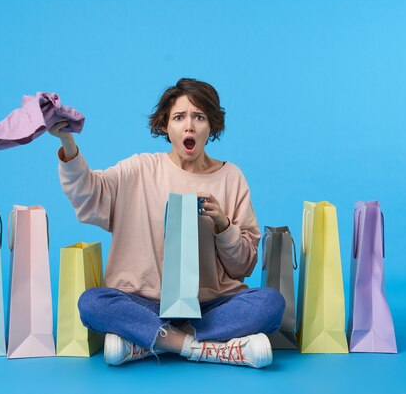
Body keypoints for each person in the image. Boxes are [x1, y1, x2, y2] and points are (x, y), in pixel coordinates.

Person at [49, 78, 284, 368]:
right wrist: (68, 143)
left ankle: (148, 343)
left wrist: (223, 225)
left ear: (211, 126)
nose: (189, 126)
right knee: (92, 303)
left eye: (199, 117)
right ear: (165, 126)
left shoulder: (231, 177)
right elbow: (90, 192)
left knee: (271, 304)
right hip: (145, 302)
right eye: (179, 117)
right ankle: (203, 348)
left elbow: (244, 266)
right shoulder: (139, 169)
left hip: (209, 305)